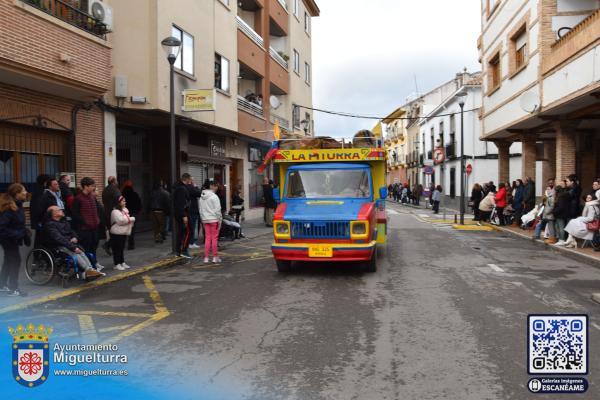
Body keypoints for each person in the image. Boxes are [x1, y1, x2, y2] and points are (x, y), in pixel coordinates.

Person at [43, 206, 104, 280]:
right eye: (59, 210)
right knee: (75, 253)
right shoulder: (50, 225)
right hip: (59, 246)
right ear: (54, 214)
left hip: (69, 244)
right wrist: (73, 247)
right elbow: (59, 238)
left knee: (81, 251)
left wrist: (75, 237)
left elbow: (72, 232)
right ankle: (88, 270)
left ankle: (90, 270)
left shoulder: (64, 221)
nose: (62, 211)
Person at [0, 183, 29, 296]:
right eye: (24, 191)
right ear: (17, 194)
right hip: (8, 239)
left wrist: (24, 232)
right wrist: (18, 234)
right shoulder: (8, 208)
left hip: (12, 238)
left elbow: (17, 223)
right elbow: (2, 228)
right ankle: (13, 288)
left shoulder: (18, 205)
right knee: (15, 261)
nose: (26, 192)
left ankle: (2, 285)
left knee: (8, 260)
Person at [71, 177, 105, 271]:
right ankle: (88, 269)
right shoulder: (78, 198)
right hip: (84, 229)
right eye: (92, 186)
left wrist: (97, 220)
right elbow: (75, 214)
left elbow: (96, 211)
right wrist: (85, 222)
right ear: (85, 186)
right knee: (87, 249)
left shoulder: (92, 197)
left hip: (94, 228)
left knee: (94, 248)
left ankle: (94, 266)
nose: (93, 188)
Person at [200, 180, 223, 263]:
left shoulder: (201, 197)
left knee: (207, 238)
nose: (217, 187)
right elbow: (218, 210)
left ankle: (206, 258)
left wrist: (202, 219)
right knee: (214, 238)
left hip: (205, 220)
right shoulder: (214, 196)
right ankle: (215, 257)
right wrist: (220, 220)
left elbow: (201, 210)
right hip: (214, 219)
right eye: (216, 185)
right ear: (211, 186)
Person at [110, 196, 135, 270]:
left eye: (125, 201)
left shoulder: (125, 210)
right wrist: (132, 219)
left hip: (123, 232)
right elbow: (121, 221)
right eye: (123, 201)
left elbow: (125, 220)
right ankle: (116, 264)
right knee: (117, 249)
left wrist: (128, 220)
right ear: (119, 202)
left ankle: (122, 262)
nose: (125, 202)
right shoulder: (115, 211)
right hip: (116, 232)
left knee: (121, 248)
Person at [173, 175, 192, 258]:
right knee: (189, 231)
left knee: (181, 232)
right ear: (187, 179)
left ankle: (178, 251)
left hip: (180, 213)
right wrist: (184, 215)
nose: (191, 180)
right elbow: (181, 203)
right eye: (190, 179)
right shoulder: (182, 189)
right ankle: (184, 250)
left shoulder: (179, 187)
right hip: (183, 214)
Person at [30, 174, 51, 248]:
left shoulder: (38, 190)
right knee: (40, 239)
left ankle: (38, 254)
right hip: (40, 220)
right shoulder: (41, 191)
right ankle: (38, 255)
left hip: (38, 219)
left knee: (39, 238)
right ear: (45, 182)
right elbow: (39, 207)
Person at [102, 176, 121, 256]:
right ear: (114, 182)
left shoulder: (105, 190)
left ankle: (109, 246)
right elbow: (119, 201)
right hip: (114, 214)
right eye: (116, 180)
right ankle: (108, 245)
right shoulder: (116, 190)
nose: (117, 182)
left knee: (112, 231)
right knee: (117, 232)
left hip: (106, 213)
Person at [121, 180, 142, 250]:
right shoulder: (135, 194)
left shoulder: (122, 195)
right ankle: (131, 245)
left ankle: (122, 244)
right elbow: (139, 204)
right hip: (133, 214)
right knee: (132, 230)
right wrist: (138, 211)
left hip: (124, 214)